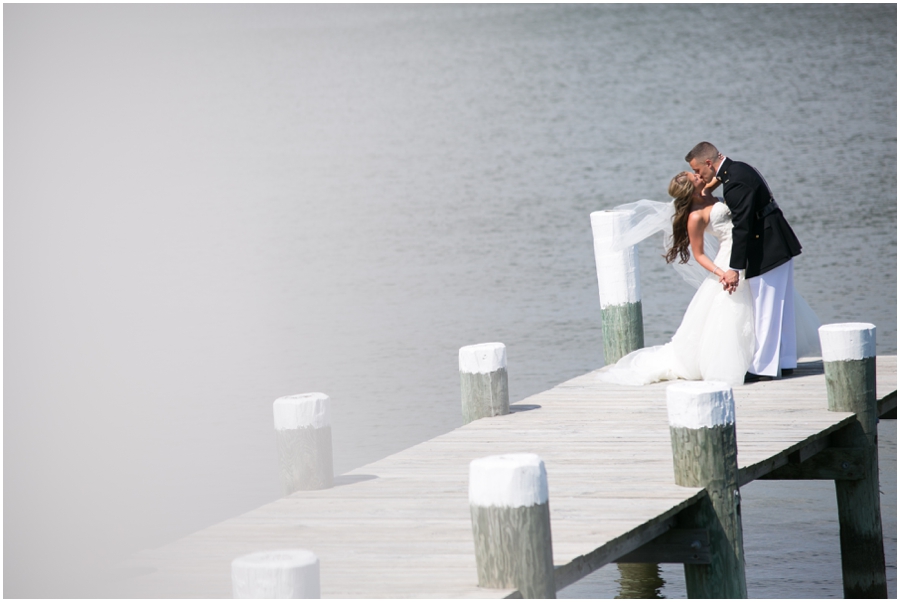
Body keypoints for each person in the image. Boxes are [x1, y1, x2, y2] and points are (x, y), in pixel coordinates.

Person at [596, 171, 756, 387]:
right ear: (692, 190)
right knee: (731, 310)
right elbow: (699, 254)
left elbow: (726, 174)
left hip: (745, 253)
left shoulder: (708, 189)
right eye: (696, 177)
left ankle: (759, 357)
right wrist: (721, 273)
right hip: (727, 261)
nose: (700, 176)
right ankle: (732, 362)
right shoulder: (695, 216)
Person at [686, 142, 802, 382]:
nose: (699, 177)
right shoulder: (738, 170)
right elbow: (719, 181)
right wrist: (708, 186)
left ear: (709, 163)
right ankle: (786, 360)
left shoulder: (734, 183)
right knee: (781, 304)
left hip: (767, 247)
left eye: (698, 170)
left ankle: (762, 367)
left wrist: (735, 268)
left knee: (766, 309)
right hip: (777, 240)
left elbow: (742, 227)